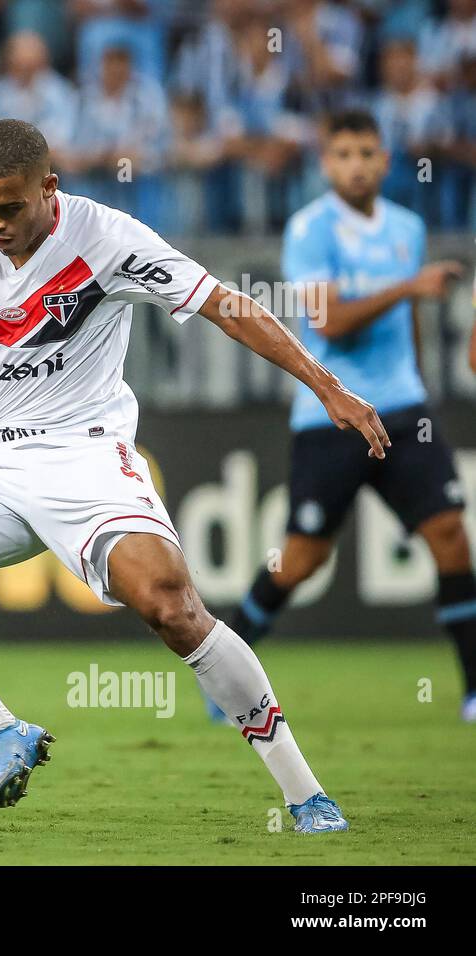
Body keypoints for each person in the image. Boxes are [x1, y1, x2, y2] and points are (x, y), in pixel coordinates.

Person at [0, 118, 389, 833]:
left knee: (170, 605)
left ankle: (303, 791)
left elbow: (227, 305)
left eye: (9, 207)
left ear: (50, 188)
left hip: (86, 455)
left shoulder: (110, 241)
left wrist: (326, 385)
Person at [223, 110, 474, 722]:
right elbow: (328, 322)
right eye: (343, 154)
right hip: (331, 413)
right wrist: (408, 287)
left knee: (450, 538)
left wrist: (416, 382)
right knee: (302, 557)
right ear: (326, 164)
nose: (356, 164)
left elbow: (406, 322)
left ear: (385, 161)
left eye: (367, 152)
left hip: (402, 407)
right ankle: (227, 679)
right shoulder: (311, 230)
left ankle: (472, 691)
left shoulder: (406, 228)